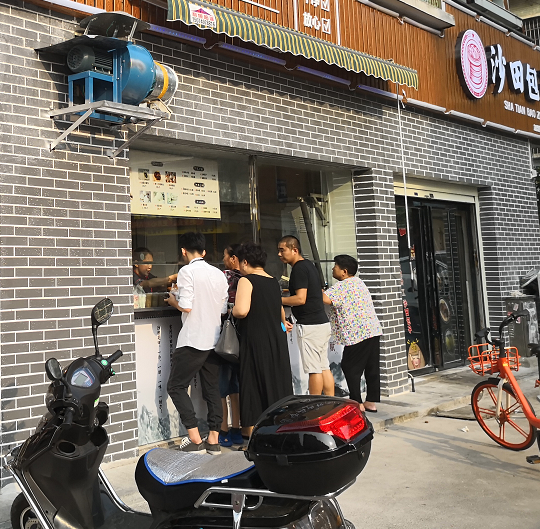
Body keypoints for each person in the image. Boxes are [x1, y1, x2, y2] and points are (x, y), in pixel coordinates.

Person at [165, 233, 228, 453]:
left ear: (183, 251)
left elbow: (186, 306)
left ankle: (194, 438)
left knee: (175, 386)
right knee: (212, 390)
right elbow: (222, 309)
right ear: (204, 252)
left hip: (193, 339)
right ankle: (213, 440)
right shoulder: (219, 274)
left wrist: (173, 300)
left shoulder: (186, 271)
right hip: (215, 339)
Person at [233, 242, 293, 434]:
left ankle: (251, 432)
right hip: (276, 338)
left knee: (252, 383)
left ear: (244, 262)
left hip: (255, 339)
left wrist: (231, 310)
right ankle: (278, 427)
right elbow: (280, 311)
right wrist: (282, 327)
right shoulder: (273, 280)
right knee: (275, 381)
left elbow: (242, 311)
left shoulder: (246, 280)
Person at [322, 255, 383, 413]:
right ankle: (371, 402)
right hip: (372, 329)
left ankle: (357, 401)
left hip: (356, 333)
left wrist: (315, 288)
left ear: (344, 271)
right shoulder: (359, 282)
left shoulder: (342, 286)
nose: (332, 269)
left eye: (335, 266)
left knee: (349, 366)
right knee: (371, 367)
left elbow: (325, 299)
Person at [279, 235, 334, 396]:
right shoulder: (309, 265)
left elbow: (300, 299)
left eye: (282, 250)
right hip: (322, 323)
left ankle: (314, 405)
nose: (279, 254)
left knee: (314, 369)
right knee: (323, 366)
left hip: (310, 326)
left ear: (294, 250)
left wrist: (278, 300)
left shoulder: (299, 269)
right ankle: (331, 403)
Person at [218, 244, 243, 447]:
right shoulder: (249, 278)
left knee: (221, 386)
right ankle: (237, 429)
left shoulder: (225, 277)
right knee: (236, 385)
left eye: (225, 256)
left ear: (233, 258)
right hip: (242, 337)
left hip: (225, 337)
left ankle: (223, 430)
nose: (223, 260)